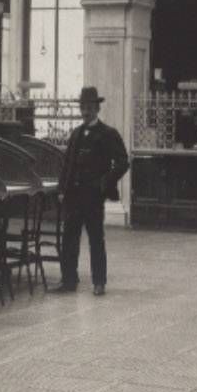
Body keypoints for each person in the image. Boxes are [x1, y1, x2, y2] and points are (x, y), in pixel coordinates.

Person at [57, 86, 130, 294]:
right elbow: (67, 164)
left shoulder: (108, 134)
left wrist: (104, 182)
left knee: (96, 238)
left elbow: (123, 162)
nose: (85, 111)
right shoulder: (77, 133)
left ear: (97, 108)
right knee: (69, 239)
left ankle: (99, 282)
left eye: (89, 107)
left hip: (93, 196)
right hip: (74, 195)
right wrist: (63, 189)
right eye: (83, 107)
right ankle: (69, 280)